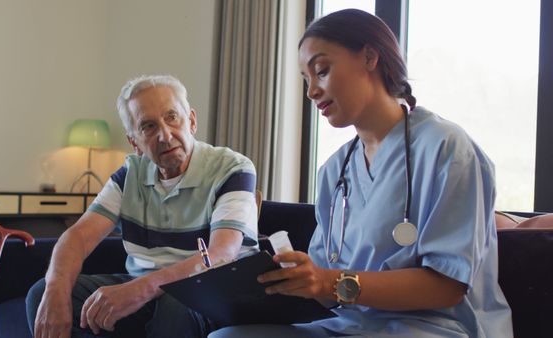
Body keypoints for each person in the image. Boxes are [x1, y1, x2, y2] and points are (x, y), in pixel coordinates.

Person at [209, 9, 512, 338]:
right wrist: (290, 283)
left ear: (369, 57)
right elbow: (326, 287)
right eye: (306, 80)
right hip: (350, 326)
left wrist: (328, 282)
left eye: (321, 71)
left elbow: (448, 286)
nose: (311, 91)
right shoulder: (334, 172)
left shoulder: (447, 149)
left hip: (435, 327)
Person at [26, 74, 259, 338]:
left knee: (177, 303)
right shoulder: (130, 175)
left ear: (192, 121)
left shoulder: (232, 168)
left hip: (214, 291)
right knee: (42, 295)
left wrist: (141, 289)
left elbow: (221, 254)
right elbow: (78, 237)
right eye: (148, 126)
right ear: (134, 142)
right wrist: (55, 288)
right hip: (150, 292)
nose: (164, 135)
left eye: (172, 117)